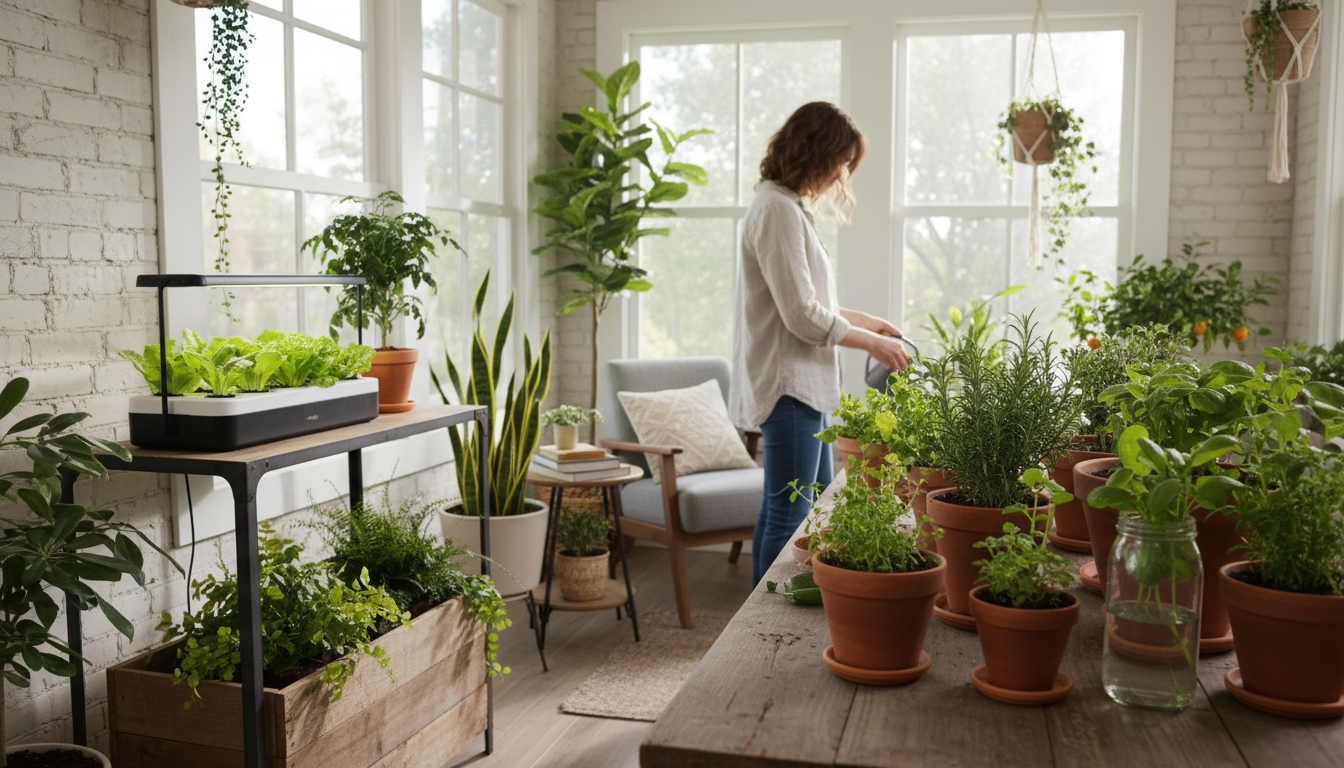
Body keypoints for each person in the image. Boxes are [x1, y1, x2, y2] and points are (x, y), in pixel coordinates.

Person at [729, 101, 909, 587]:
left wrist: (867, 322)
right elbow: (802, 316)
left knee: (788, 509)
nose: (839, 174)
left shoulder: (785, 207)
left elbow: (810, 302)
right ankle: (764, 628)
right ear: (815, 151)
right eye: (839, 161)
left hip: (802, 386)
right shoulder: (776, 210)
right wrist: (872, 343)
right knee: (792, 516)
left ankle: (767, 611)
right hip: (791, 388)